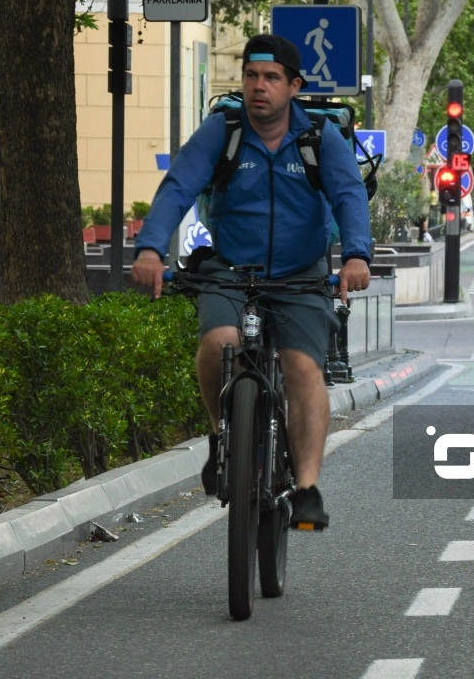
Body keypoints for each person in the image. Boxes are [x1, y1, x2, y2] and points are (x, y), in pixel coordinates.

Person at [131, 33, 372, 531]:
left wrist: (354, 257)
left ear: (294, 86)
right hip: (230, 270)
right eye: (251, 76)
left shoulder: (317, 138)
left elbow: (349, 195)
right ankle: (223, 436)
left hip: (300, 275)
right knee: (219, 342)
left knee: (303, 368)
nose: (259, 86)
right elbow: (179, 187)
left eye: (271, 78)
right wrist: (151, 248)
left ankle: (306, 488)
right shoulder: (223, 131)